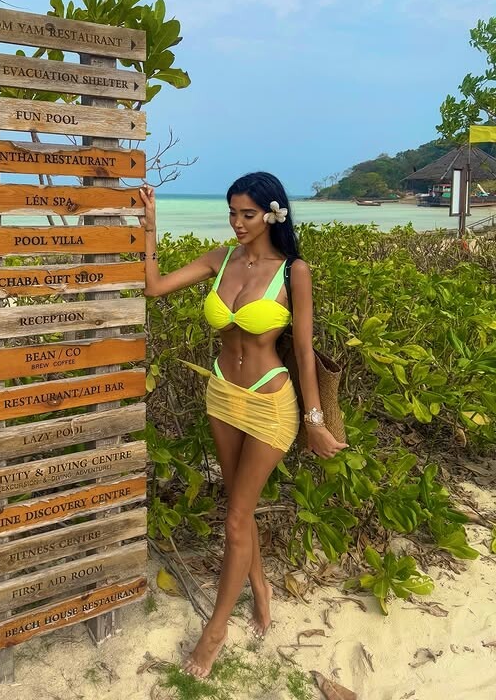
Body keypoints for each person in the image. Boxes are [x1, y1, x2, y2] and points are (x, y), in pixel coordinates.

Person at [139, 171, 347, 679]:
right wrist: (149, 227)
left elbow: (303, 351)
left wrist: (315, 421)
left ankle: (215, 632)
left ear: (272, 214)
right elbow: (154, 287)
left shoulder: (294, 271)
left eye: (247, 214)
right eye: (232, 212)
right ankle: (260, 587)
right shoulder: (221, 259)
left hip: (270, 403)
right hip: (222, 396)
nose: (237, 223)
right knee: (239, 506)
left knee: (235, 519)